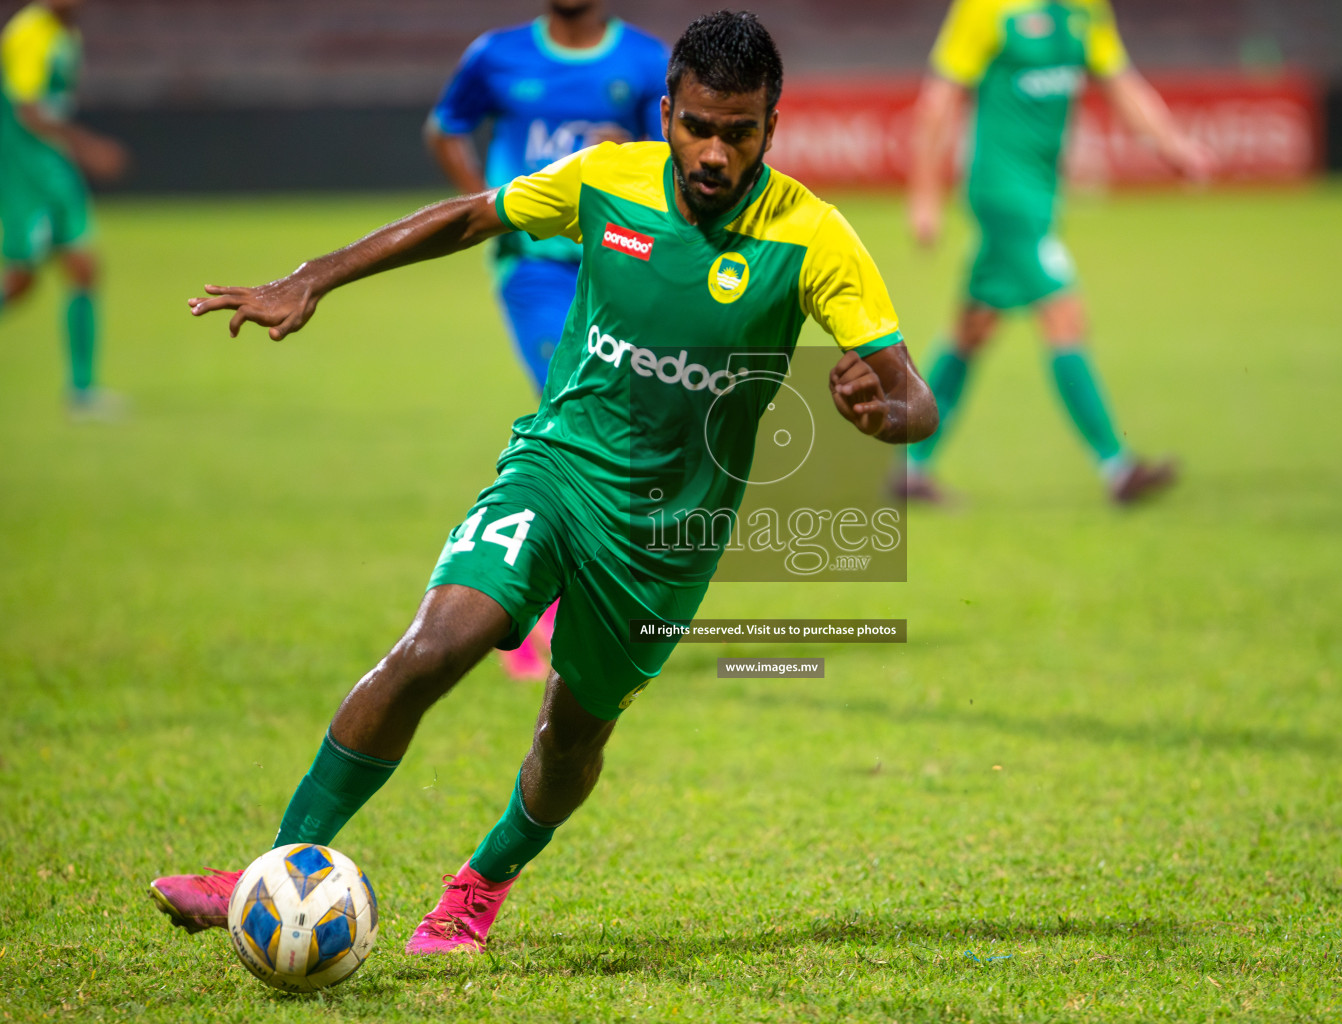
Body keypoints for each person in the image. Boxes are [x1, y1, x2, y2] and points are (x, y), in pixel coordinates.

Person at [147, 12, 936, 957]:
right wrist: (317, 274)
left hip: (664, 541)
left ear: (773, 126)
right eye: (697, 126)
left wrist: (883, 413)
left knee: (570, 739)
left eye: (740, 132)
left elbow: (913, 399)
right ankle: (273, 868)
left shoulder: (815, 238)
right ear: (666, 112)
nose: (716, 152)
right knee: (435, 646)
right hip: (555, 471)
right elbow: (472, 215)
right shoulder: (609, 178)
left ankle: (480, 885)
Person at [427, 0, 668, 681]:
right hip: (532, 269)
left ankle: (575, 602)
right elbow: (445, 128)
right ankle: (535, 614)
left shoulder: (645, 62)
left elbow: (666, 164)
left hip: (614, 269)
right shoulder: (494, 55)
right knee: (575, 422)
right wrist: (485, 206)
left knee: (622, 431)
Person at [902, 0, 1212, 505]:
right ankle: (1118, 468)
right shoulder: (985, 10)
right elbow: (938, 102)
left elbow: (1122, 83)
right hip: (1002, 194)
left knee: (973, 328)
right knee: (1063, 312)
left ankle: (910, 469)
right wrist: (924, 196)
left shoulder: (1088, 9)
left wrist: (1172, 147)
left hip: (1043, 194)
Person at [0, 0, 127, 417]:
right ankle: (82, 391)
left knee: (84, 268)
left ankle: (82, 391)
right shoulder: (27, 34)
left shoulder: (65, 33)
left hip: (53, 167)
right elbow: (28, 111)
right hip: (24, 173)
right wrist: (87, 146)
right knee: (20, 282)